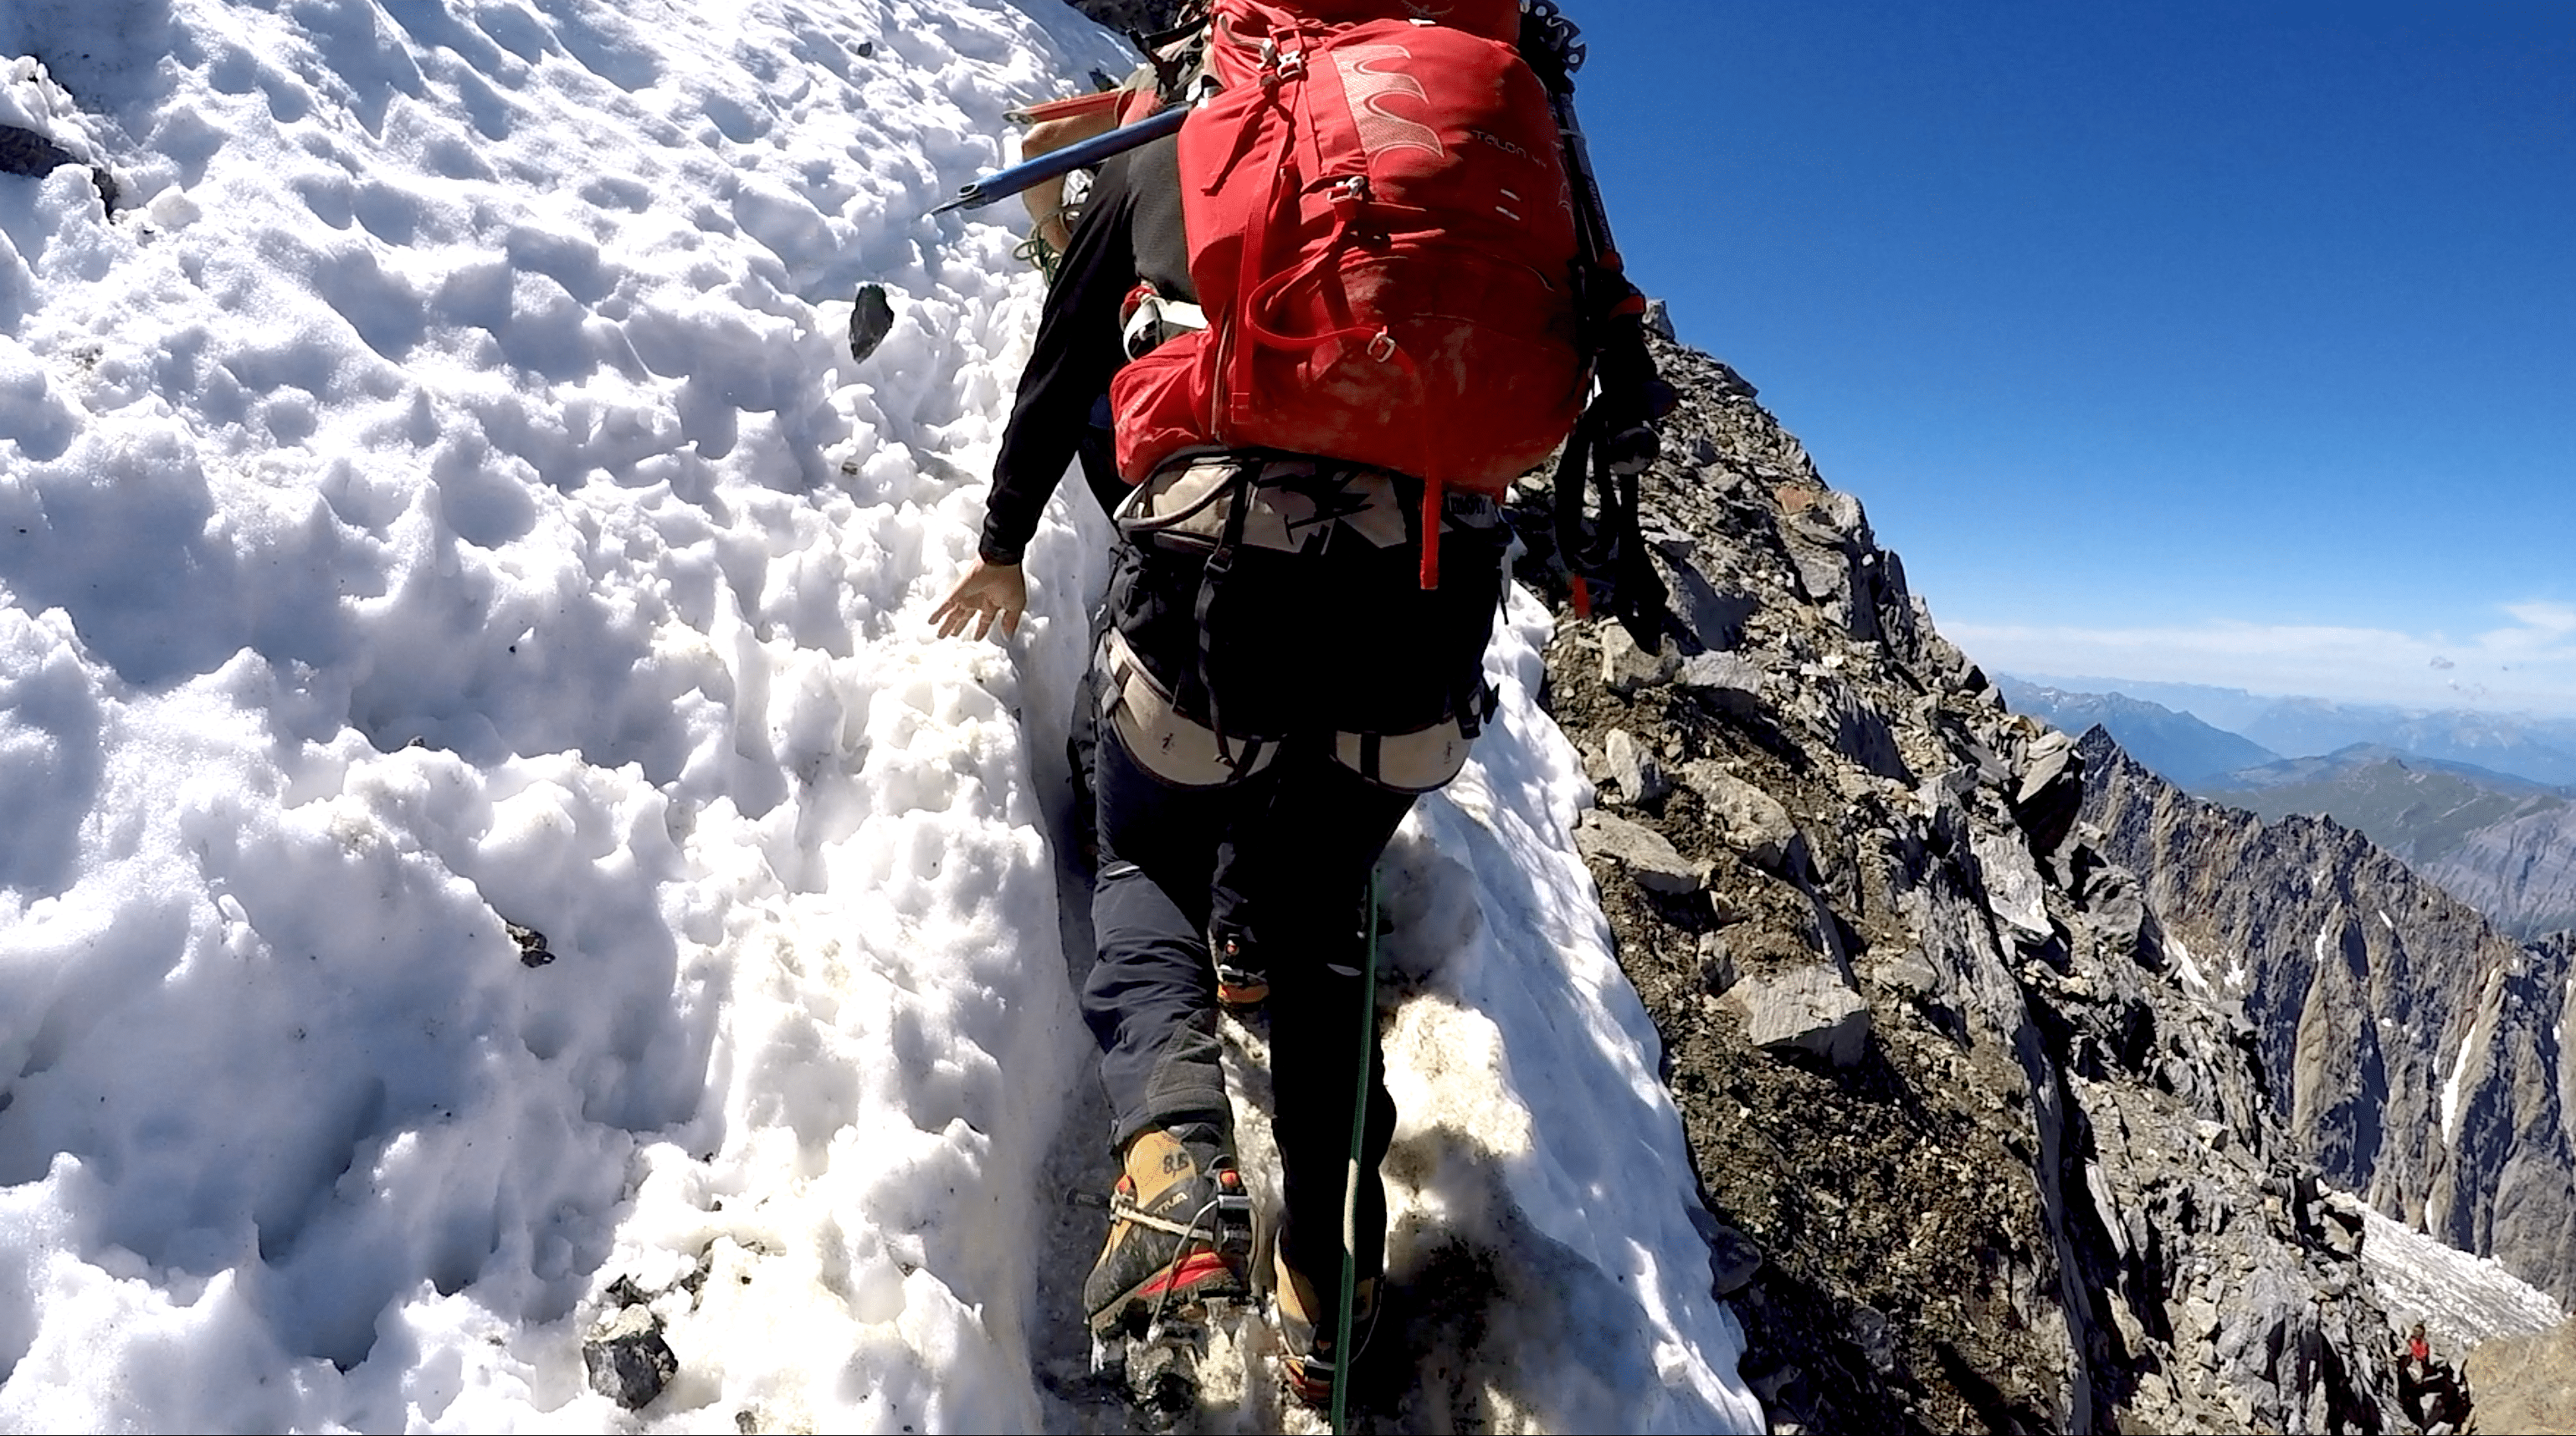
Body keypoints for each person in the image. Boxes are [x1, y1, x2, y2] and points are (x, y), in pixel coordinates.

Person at [931, 90, 1514, 1419]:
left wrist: (1003, 546)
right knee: (1322, 919)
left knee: (1142, 845)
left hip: (1210, 590)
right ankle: (1328, 1283)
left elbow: (1066, 355)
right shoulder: (1469, 162)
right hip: (1411, 626)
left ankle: (1175, 1162)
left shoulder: (1170, 143)